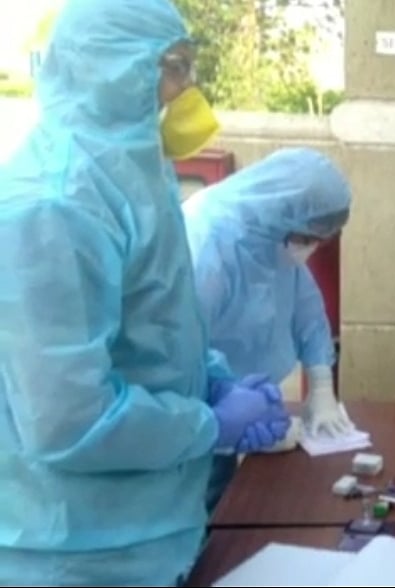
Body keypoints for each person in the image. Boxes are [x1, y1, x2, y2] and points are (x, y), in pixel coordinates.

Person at [0, 0, 291, 585]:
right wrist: (210, 423)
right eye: (175, 67)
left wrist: (212, 380)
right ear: (113, 67)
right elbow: (68, 421)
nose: (186, 88)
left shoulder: (128, 172)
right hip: (75, 552)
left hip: (147, 533)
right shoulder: (55, 206)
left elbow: (156, 323)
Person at [182, 148, 355, 510]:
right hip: (187, 425)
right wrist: (229, 422)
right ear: (279, 218)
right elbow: (180, 357)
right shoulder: (206, 242)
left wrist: (321, 385)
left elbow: (308, 309)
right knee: (196, 511)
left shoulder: (271, 243)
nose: (310, 248)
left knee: (224, 512)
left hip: (224, 413)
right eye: (307, 238)